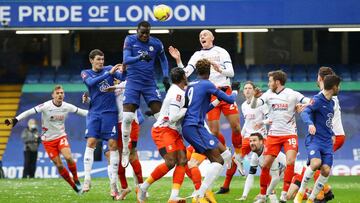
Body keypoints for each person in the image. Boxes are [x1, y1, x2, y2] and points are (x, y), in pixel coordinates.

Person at [169, 30, 243, 174]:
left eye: (205, 34)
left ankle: (238, 155)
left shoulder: (221, 52)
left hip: (224, 90)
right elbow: (185, 73)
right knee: (214, 131)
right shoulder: (197, 55)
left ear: (212, 37)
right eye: (200, 36)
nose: (202, 36)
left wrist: (219, 69)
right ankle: (225, 151)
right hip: (210, 94)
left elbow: (231, 73)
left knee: (236, 127)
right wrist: (178, 60)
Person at [5, 85, 88, 194]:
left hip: (61, 137)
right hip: (48, 141)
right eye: (57, 93)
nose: (60, 95)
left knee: (68, 157)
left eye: (62, 93)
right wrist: (16, 119)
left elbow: (83, 112)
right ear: (53, 95)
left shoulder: (67, 106)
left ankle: (76, 179)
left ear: (64, 95)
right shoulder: (45, 106)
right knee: (59, 165)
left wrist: (99, 114)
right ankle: (74, 186)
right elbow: (29, 112)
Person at [251, 70, 310, 203]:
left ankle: (284, 193)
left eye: (270, 81)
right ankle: (262, 195)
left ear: (277, 82)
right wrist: (254, 97)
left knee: (290, 162)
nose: (268, 83)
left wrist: (302, 106)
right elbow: (254, 105)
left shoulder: (292, 93)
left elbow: (310, 101)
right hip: (274, 135)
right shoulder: (268, 94)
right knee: (266, 165)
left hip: (289, 134)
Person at [181, 59, 234, 203]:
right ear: (209, 71)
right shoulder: (207, 84)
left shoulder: (191, 86)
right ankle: (200, 193)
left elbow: (203, 109)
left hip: (191, 127)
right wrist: (234, 92)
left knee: (222, 157)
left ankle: (201, 192)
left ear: (197, 71)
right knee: (217, 161)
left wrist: (217, 100)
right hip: (195, 127)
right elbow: (229, 100)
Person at [121, 21, 170, 167]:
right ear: (137, 31)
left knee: (161, 118)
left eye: (147, 32)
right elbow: (126, 59)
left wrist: (166, 75)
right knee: (128, 117)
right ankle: (125, 150)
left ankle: (166, 150)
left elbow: (163, 59)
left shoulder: (156, 43)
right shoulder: (129, 40)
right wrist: (140, 57)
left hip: (149, 84)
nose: (144, 35)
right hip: (133, 82)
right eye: (142, 32)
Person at [137, 67, 190, 203]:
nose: (188, 77)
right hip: (163, 130)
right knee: (171, 162)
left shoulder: (177, 90)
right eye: (186, 75)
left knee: (183, 160)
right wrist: (186, 109)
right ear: (183, 78)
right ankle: (143, 187)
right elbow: (172, 117)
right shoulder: (177, 94)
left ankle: (173, 197)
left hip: (173, 131)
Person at [81, 49, 126, 198]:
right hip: (94, 113)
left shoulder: (110, 69)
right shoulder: (86, 73)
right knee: (91, 142)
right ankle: (87, 179)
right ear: (91, 60)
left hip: (110, 113)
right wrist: (109, 73)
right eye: (98, 59)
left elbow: (124, 78)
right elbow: (91, 83)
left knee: (113, 146)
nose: (101, 62)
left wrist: (124, 70)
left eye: (102, 59)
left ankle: (113, 184)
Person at [294, 74, 341, 203]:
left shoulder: (331, 103)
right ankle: (300, 192)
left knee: (326, 170)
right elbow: (305, 112)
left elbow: (326, 121)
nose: (339, 89)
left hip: (327, 140)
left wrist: (331, 134)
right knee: (315, 163)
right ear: (334, 87)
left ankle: (311, 199)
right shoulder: (317, 100)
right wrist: (310, 124)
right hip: (315, 139)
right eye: (339, 86)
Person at [217, 81, 270, 194]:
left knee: (263, 164)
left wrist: (261, 122)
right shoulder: (244, 105)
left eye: (250, 88)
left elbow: (270, 118)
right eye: (245, 88)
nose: (247, 90)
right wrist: (241, 136)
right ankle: (225, 187)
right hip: (247, 137)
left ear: (254, 90)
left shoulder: (262, 104)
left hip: (261, 137)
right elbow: (247, 122)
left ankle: (269, 190)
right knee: (234, 159)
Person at [237, 133, 286, 203]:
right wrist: (244, 195)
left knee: (287, 196)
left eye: (254, 140)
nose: (251, 143)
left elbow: (276, 178)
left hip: (296, 175)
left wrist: (264, 195)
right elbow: (251, 175)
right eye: (250, 141)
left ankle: (305, 193)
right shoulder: (255, 156)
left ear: (261, 142)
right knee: (268, 184)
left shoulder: (270, 152)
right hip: (282, 178)